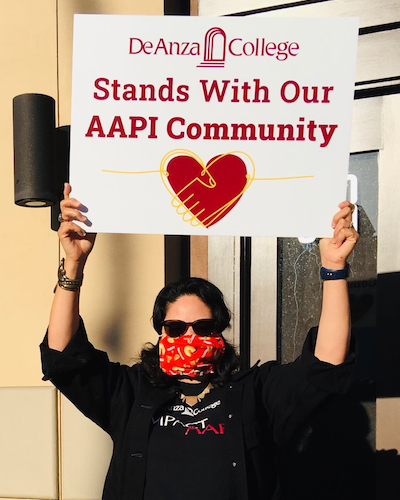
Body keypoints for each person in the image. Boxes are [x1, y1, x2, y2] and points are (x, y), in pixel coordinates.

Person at [41, 183, 359, 500]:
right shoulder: (129, 393)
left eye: (203, 326)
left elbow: (326, 365)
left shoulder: (255, 392)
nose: (190, 336)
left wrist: (333, 269)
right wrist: (74, 264)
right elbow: (62, 356)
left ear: (219, 330)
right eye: (176, 327)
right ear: (161, 331)